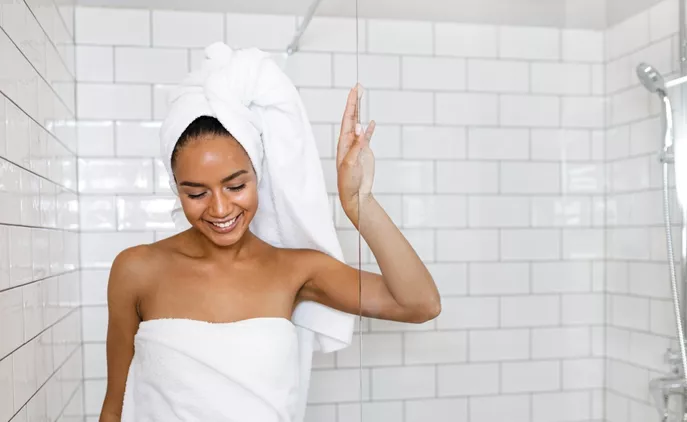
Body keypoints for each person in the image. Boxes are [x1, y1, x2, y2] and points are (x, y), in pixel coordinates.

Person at [99, 43, 440, 422]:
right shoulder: (136, 269)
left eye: (235, 186)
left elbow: (420, 304)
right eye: (196, 193)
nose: (220, 209)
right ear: (175, 186)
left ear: (258, 175)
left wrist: (359, 203)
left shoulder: (293, 270)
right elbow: (115, 404)